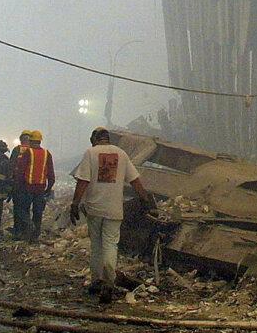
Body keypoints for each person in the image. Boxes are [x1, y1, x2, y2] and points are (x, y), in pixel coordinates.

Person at [69, 127, 155, 301]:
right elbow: (135, 180)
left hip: (94, 209)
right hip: (114, 209)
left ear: (94, 139)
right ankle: (109, 283)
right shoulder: (121, 154)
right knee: (110, 245)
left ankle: (96, 281)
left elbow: (83, 181)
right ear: (108, 139)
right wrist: (145, 200)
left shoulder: (90, 153)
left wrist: (75, 203)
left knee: (97, 246)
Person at [12, 129, 54, 243]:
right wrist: (49, 188)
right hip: (40, 189)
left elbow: (20, 171)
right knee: (38, 212)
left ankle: (28, 226)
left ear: (30, 140)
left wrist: (17, 186)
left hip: (27, 188)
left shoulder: (27, 152)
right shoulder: (47, 153)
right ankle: (35, 236)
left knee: (22, 210)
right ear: (40, 141)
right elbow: (51, 174)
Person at [9, 131, 32, 238]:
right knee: (26, 208)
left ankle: (19, 230)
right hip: (31, 185)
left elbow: (11, 167)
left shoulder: (17, 150)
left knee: (18, 208)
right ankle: (26, 231)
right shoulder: (33, 151)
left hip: (18, 185)